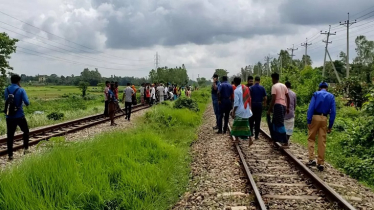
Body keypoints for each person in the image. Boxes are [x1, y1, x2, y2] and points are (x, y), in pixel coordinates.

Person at [306, 82, 336, 172]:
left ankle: (311, 159)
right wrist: (330, 125)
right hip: (324, 118)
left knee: (311, 138)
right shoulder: (331, 96)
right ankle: (320, 163)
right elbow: (333, 112)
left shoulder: (316, 94)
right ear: (327, 88)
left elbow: (311, 108)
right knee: (322, 141)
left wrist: (309, 120)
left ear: (319, 88)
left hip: (315, 117)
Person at [4, 74, 30, 160]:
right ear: (19, 81)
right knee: (25, 131)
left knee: (10, 135)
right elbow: (27, 102)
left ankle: (10, 155)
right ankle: (26, 149)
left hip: (9, 116)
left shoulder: (6, 90)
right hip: (19, 115)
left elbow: (7, 101)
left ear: (11, 80)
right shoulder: (21, 90)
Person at [267, 73, 290, 146]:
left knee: (280, 123)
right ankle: (275, 139)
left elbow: (273, 99)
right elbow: (288, 97)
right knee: (275, 122)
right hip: (283, 106)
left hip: (278, 106)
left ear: (273, 78)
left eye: (272, 79)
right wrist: (288, 107)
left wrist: (269, 110)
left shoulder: (274, 86)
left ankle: (285, 141)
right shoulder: (284, 86)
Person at [230, 77, 253, 146]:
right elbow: (249, 99)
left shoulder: (236, 90)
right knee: (246, 125)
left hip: (239, 110)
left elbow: (236, 103)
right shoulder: (245, 88)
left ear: (234, 83)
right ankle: (250, 138)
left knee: (236, 125)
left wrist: (233, 111)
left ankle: (237, 139)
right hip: (246, 109)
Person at [284, 81, 297, 146]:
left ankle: (284, 141)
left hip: (283, 113)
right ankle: (286, 141)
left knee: (283, 127)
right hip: (291, 113)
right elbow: (295, 105)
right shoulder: (294, 94)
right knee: (289, 128)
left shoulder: (282, 93)